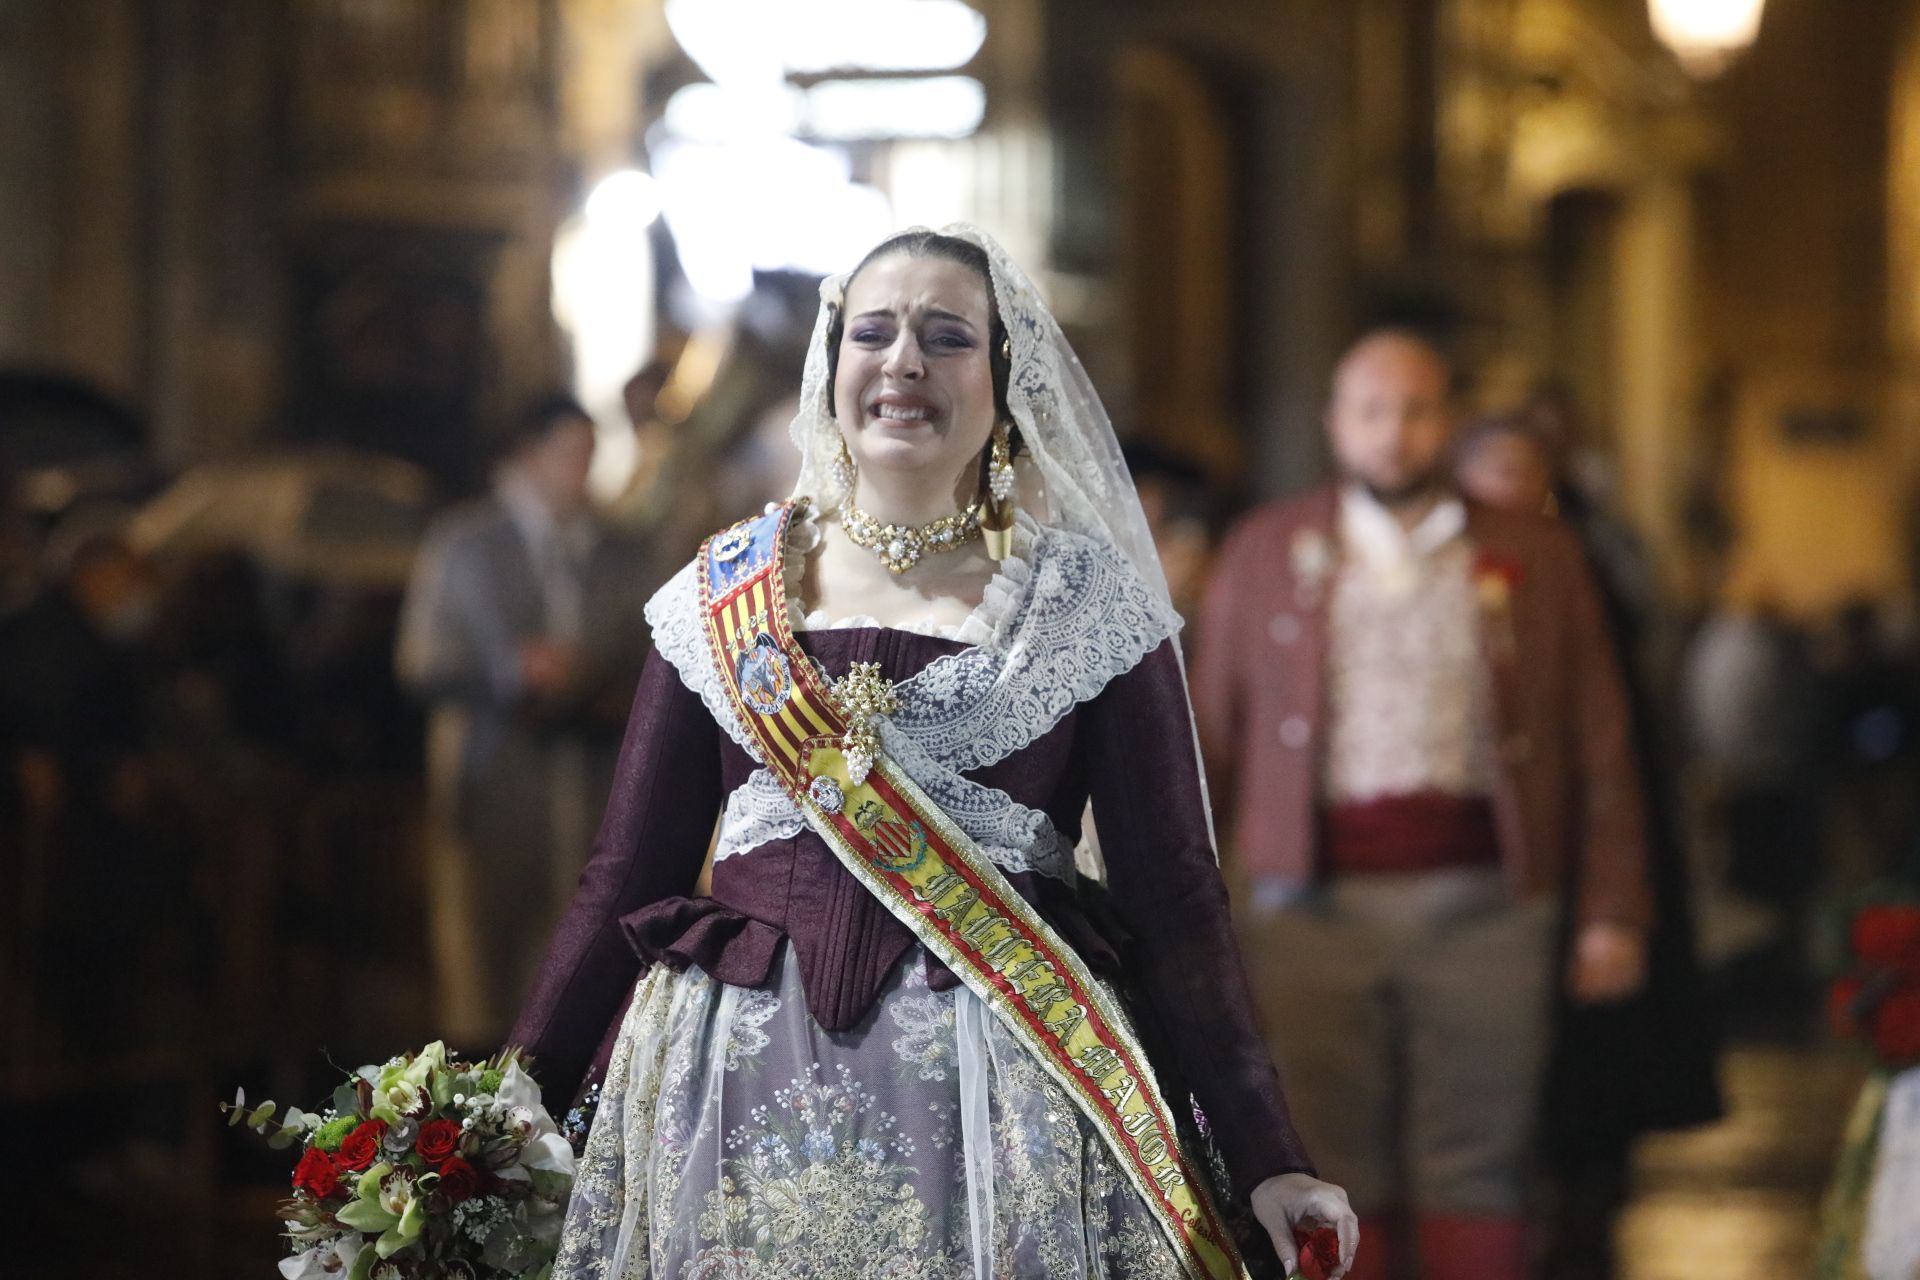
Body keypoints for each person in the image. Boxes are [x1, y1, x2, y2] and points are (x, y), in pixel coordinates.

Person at [509, 227, 1358, 1279]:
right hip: (731, 1097)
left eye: (946, 336)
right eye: (874, 331)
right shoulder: (721, 596)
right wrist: (513, 1098)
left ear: (1004, 383)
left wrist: (1265, 1152)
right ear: (833, 370)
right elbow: (625, 875)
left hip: (1002, 1105)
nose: (904, 359)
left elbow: (1175, 899)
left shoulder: (1085, 608)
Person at [1194, 330, 1651, 1280]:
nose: (1393, 434)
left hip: (1487, 903)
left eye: (1415, 410)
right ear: (1335, 424)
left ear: (1449, 419)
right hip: (1308, 907)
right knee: (1323, 1160)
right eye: (1370, 411)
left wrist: (1612, 909)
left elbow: (1601, 742)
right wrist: (1185, 910)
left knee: (1478, 1162)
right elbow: (1210, 741)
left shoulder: (1537, 552)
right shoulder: (1266, 550)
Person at [1456, 411, 1723, 1280]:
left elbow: (1619, 744)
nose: (1511, 492)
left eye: (1525, 473)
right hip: (1482, 874)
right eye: (1493, 472)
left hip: (1584, 866)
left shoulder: (1586, 572)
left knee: (1589, 1085)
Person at [397, 394, 653, 1046]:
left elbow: (641, 643)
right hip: (494, 778)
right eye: (570, 454)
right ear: (529, 455)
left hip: (588, 776)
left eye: (589, 455)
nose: (581, 471)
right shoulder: (467, 543)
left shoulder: (612, 547)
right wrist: (514, 670)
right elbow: (424, 657)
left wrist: (592, 675)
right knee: (487, 952)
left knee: (576, 942)